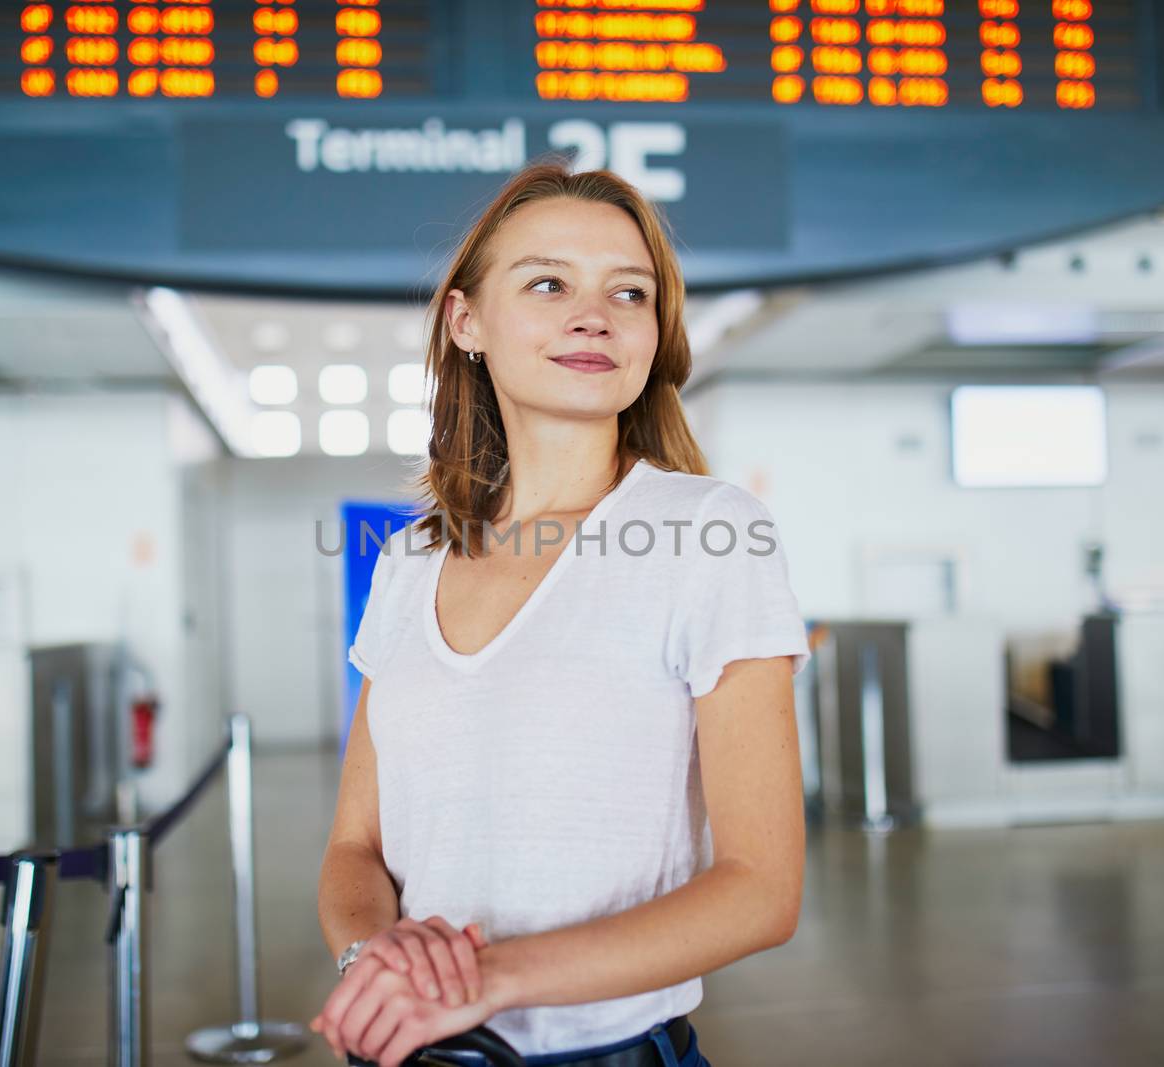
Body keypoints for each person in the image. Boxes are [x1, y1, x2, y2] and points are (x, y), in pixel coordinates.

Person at [309, 159, 811, 1067]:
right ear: (466, 320)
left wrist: (488, 978)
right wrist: (371, 954)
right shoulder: (412, 560)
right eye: (548, 282)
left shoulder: (710, 531)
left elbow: (761, 888)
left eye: (630, 293)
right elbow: (356, 844)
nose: (596, 316)